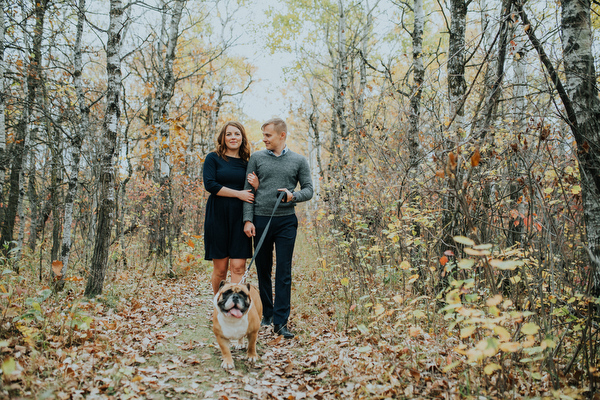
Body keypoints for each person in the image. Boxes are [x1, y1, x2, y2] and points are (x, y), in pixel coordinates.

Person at [243, 117, 313, 339]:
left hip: (286, 222)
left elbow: (309, 190)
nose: (264, 139)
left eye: (268, 135)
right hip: (261, 220)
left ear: (282, 135)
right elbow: (248, 192)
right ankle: (268, 313)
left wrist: (294, 196)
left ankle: (281, 323)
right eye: (263, 135)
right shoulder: (256, 158)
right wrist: (248, 220)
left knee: (283, 273)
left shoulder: (299, 161)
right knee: (263, 269)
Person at [203, 121, 258, 295]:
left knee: (238, 267)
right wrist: (238, 194)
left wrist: (256, 186)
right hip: (217, 216)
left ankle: (235, 309)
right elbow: (210, 185)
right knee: (220, 269)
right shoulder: (213, 158)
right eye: (229, 134)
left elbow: (252, 192)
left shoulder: (247, 163)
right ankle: (219, 306)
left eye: (237, 134)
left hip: (240, 217)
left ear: (242, 138)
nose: (233, 137)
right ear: (223, 138)